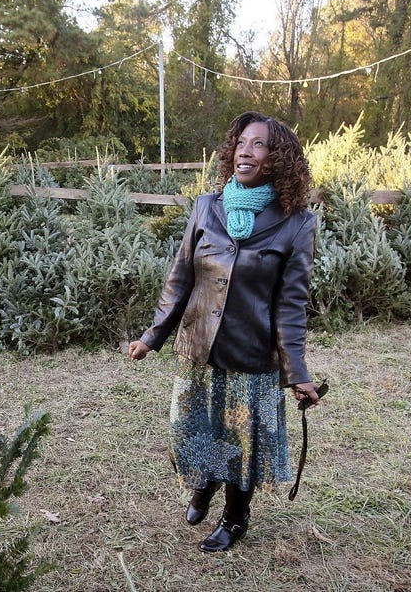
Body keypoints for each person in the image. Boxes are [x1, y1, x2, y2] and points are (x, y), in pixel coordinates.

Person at [128, 111, 322, 553]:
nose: (246, 152)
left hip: (252, 355)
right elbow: (180, 279)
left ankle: (236, 518)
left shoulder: (297, 222)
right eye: (241, 143)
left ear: (278, 159)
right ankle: (205, 484)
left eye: (259, 145)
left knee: (241, 443)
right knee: (191, 430)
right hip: (198, 347)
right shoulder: (206, 207)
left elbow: (291, 306)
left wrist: (297, 372)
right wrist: (152, 335)